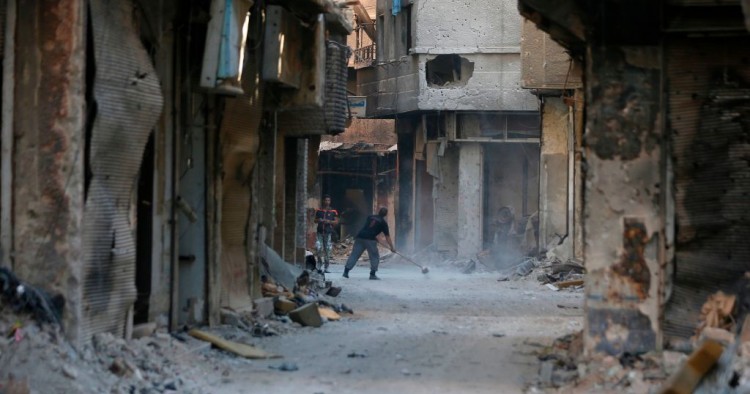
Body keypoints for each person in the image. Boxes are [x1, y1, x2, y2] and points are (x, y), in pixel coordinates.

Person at [343, 207, 395, 280]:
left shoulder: (370, 217)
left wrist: (375, 236)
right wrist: (392, 248)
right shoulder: (383, 223)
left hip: (360, 237)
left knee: (354, 254)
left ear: (378, 212)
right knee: (374, 256)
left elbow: (370, 227)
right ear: (385, 214)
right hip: (370, 240)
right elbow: (387, 236)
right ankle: (372, 274)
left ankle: (346, 272)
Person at [314, 195, 339, 273]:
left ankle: (326, 267)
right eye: (326, 200)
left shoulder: (333, 211)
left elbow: (336, 222)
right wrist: (319, 220)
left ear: (330, 201)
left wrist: (329, 222)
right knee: (318, 248)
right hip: (319, 232)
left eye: (328, 200)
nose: (327, 202)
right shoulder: (319, 210)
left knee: (327, 249)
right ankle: (319, 264)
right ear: (323, 201)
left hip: (328, 233)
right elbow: (315, 220)